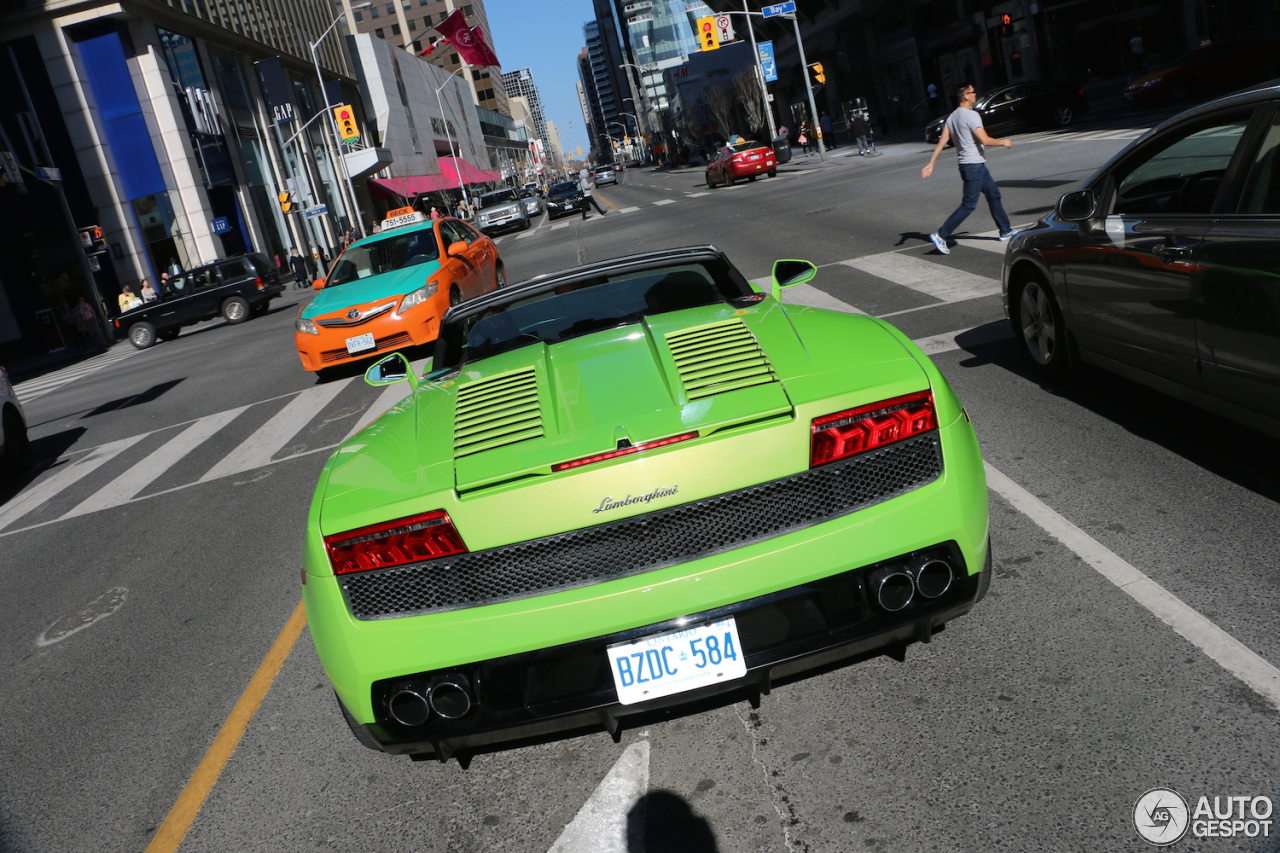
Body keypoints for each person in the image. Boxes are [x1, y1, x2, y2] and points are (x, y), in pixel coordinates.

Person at [921, 82, 1014, 255]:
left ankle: (1006, 230)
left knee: (994, 194)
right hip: (973, 166)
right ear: (965, 96)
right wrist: (1003, 142)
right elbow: (985, 140)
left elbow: (942, 141)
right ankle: (941, 234)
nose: (975, 94)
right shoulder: (972, 116)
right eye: (973, 92)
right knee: (969, 205)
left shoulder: (952, 117)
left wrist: (931, 163)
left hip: (972, 165)